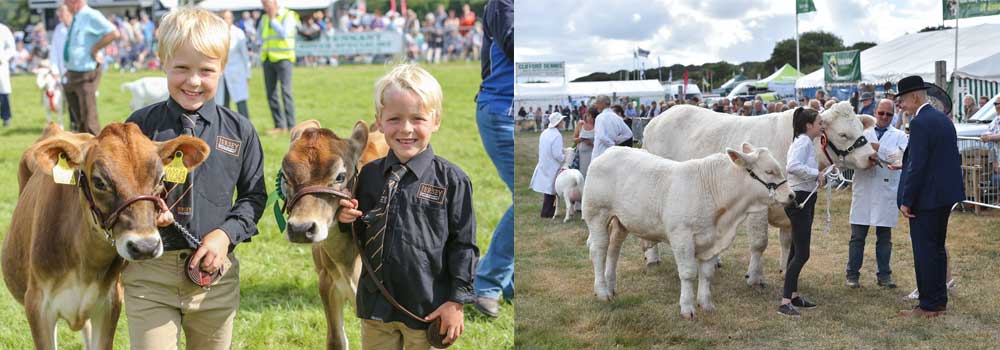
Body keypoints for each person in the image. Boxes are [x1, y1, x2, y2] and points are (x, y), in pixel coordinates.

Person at [122, 7, 267, 348]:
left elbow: (253, 197)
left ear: (223, 69)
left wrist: (225, 235)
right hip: (150, 275)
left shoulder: (240, 131)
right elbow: (121, 192)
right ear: (163, 63)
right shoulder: (140, 127)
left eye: (206, 70)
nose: (193, 81)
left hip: (215, 276)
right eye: (181, 68)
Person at [336, 64, 478, 349]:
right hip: (377, 309)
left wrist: (456, 301)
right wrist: (345, 218)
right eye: (394, 119)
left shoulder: (453, 181)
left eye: (418, 118)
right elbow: (360, 230)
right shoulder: (369, 175)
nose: (406, 129)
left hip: (427, 310)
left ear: (436, 120)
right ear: (379, 120)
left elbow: (464, 246)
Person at [894, 75, 964, 318]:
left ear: (914, 96)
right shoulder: (942, 120)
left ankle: (928, 305)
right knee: (936, 250)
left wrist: (906, 200)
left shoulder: (921, 122)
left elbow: (918, 165)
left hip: (927, 198)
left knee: (925, 251)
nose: (900, 105)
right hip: (942, 196)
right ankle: (937, 301)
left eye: (902, 99)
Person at [471, 0, 514, 320]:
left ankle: (509, 282)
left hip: (508, 111)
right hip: (501, 113)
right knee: (533, 195)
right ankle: (485, 282)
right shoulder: (503, 3)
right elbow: (514, 46)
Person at [846, 99, 908, 289]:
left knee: (884, 237)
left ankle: (884, 275)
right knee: (857, 236)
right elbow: (849, 159)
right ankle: (852, 274)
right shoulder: (862, 134)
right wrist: (864, 160)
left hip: (885, 190)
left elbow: (900, 157)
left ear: (894, 115)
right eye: (881, 113)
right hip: (864, 187)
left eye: (889, 114)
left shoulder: (900, 135)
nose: (884, 117)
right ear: (875, 111)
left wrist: (878, 148)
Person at [779, 107, 824, 317]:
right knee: (802, 253)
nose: (822, 126)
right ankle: (785, 301)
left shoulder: (805, 141)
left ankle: (793, 295)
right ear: (809, 125)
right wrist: (816, 173)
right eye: (819, 123)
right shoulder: (804, 142)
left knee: (797, 250)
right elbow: (792, 166)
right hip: (800, 200)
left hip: (805, 196)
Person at [62, 0, 120, 135]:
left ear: (74, 2)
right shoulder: (78, 17)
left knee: (89, 118)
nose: (65, 5)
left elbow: (113, 33)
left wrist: (95, 49)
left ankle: (95, 150)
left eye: (66, 2)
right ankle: (85, 148)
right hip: (74, 72)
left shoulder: (90, 15)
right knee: (79, 118)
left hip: (85, 72)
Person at [258, 0, 298, 134]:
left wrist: (273, 19)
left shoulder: (288, 15)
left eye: (266, 4)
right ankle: (279, 126)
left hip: (284, 59)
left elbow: (284, 34)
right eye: (263, 4)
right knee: (271, 94)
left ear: (275, 2)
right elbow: (260, 37)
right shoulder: (263, 18)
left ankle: (292, 126)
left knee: (286, 92)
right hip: (268, 59)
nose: (265, 7)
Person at [215, 10, 252, 119]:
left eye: (228, 18)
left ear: (232, 19)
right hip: (222, 74)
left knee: (241, 101)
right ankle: (224, 126)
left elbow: (245, 56)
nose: (226, 21)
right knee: (222, 103)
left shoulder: (238, 33)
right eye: (223, 18)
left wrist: (248, 74)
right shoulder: (216, 34)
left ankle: (246, 127)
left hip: (236, 73)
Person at [530, 112, 566, 219]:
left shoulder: (545, 132)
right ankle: (547, 212)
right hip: (552, 165)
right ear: (558, 123)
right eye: (561, 121)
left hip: (545, 162)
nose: (563, 123)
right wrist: (564, 158)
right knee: (552, 190)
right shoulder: (557, 135)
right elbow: (556, 154)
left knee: (548, 189)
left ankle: (548, 212)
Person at [591, 95, 632, 161]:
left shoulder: (600, 117)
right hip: (612, 155)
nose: (596, 106)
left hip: (600, 154)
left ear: (602, 104)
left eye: (597, 103)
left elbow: (601, 136)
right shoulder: (617, 117)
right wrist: (616, 140)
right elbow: (629, 134)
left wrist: (612, 144)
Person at [49, 5, 72, 77]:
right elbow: (54, 50)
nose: (59, 14)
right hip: (63, 69)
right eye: (58, 12)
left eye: (62, 12)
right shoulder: (58, 28)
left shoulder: (80, 26)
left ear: (69, 12)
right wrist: (54, 69)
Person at [574, 107, 596, 179]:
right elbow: (574, 139)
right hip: (582, 154)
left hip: (593, 154)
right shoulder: (581, 124)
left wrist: (590, 144)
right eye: (588, 115)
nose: (589, 118)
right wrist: (581, 139)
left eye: (591, 116)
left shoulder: (597, 126)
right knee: (582, 173)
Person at [0, 22, 13, 127]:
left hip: (1, 65)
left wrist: (3, 58)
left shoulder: (3, 29)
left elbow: (11, 48)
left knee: (3, 92)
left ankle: (6, 117)